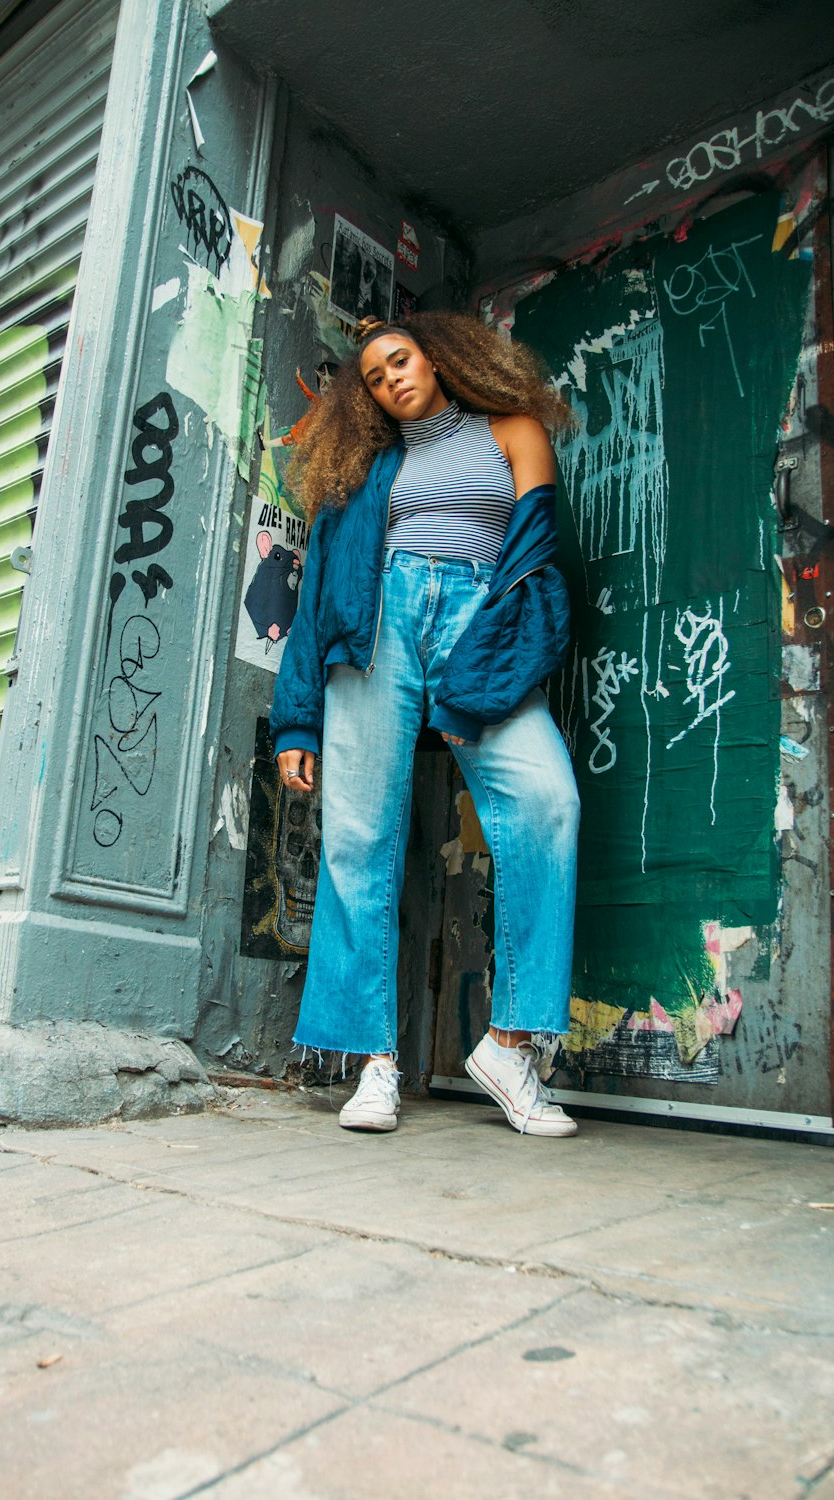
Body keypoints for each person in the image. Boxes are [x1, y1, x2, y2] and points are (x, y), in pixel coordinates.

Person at [270, 312, 580, 1138]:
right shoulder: (367, 468)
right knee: (358, 837)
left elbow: (537, 559)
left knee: (548, 801)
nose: (391, 380)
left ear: (436, 359)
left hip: (481, 621)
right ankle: (374, 1065)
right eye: (373, 377)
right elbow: (318, 600)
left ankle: (510, 1046)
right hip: (379, 633)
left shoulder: (513, 430)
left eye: (399, 361)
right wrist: (295, 722)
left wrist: (494, 664)